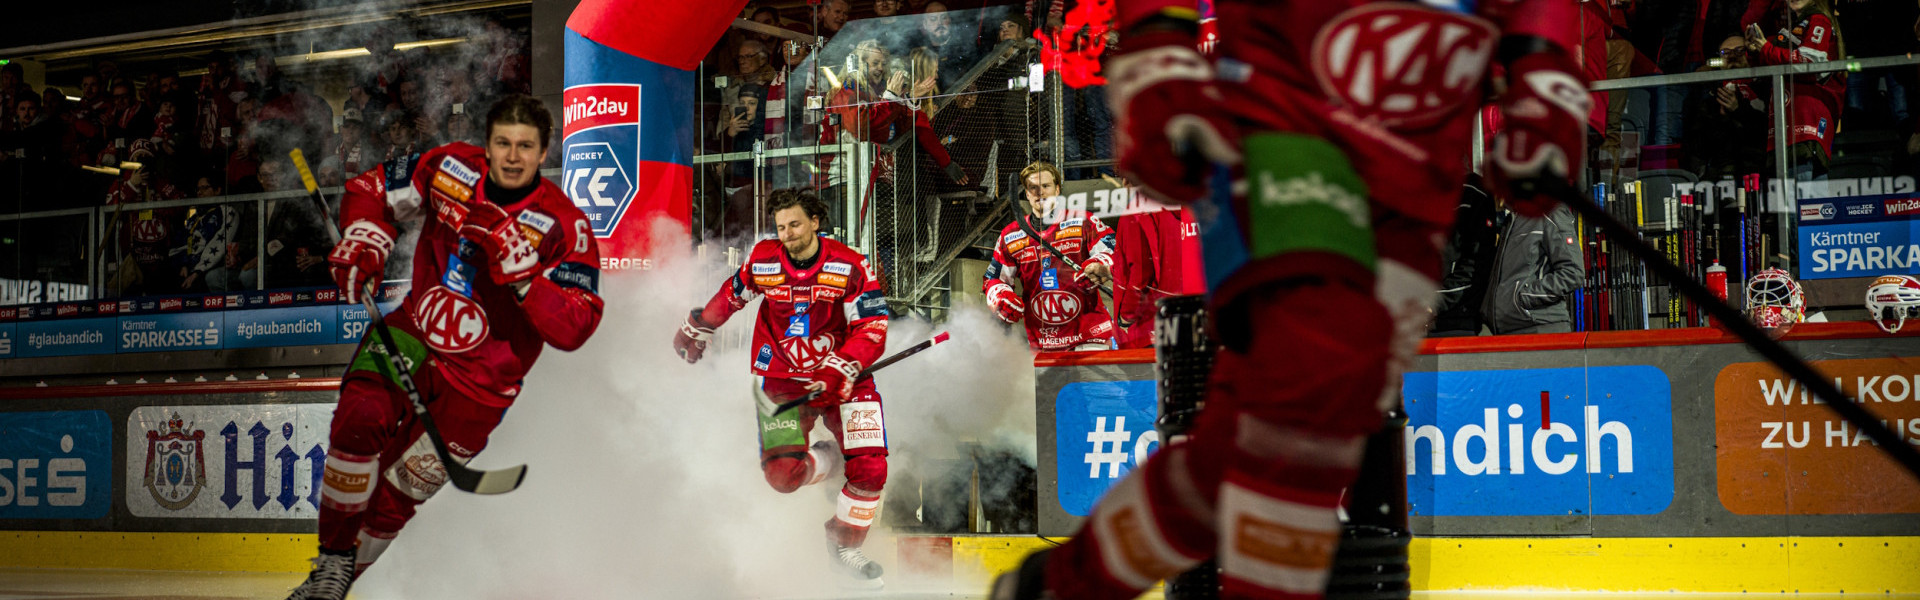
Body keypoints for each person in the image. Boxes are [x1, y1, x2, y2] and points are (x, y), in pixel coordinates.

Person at [991, 0, 1588, 598]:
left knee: (1276, 438)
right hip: (1289, 124)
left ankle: (1066, 582)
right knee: (1297, 410)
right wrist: (1157, 58)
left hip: (1414, 164)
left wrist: (1542, 79)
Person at [283, 95, 605, 600]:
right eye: (503, 143)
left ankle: (333, 587)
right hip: (414, 333)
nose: (512, 156)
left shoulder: (565, 225)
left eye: (526, 146)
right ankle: (332, 560)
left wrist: (524, 278)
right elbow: (371, 189)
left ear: (544, 153)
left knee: (397, 496)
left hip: (482, 384)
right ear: (488, 142)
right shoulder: (449, 166)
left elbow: (576, 326)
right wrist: (366, 238)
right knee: (360, 416)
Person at [671, 189, 895, 588]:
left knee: (872, 468)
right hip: (779, 380)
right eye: (780, 227)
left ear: (815, 222)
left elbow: (873, 327)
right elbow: (732, 295)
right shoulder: (764, 258)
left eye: (794, 224)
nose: (787, 234)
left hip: (845, 379)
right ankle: (831, 458)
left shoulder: (851, 265)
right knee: (782, 477)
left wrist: (842, 365)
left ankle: (844, 547)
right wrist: (700, 325)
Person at [983, 161, 1117, 352]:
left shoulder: (1083, 220)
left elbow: (1114, 250)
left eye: (1045, 186)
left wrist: (1099, 264)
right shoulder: (1010, 235)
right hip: (1043, 344)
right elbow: (993, 279)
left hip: (1089, 336)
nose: (1040, 192)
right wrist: (999, 295)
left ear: (1057, 189)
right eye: (1033, 188)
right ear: (1027, 194)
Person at [1745, 0, 1846, 180]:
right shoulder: (1797, 26)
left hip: (1806, 118)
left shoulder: (1818, 20)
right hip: (1791, 119)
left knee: (1803, 202)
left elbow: (1810, 63)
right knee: (1805, 203)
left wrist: (1766, 49)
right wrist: (1756, 51)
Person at [1481, 193, 1585, 335]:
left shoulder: (1550, 211)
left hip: (1540, 329)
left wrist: (1523, 298)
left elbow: (1573, 272)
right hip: (1509, 331)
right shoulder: (1511, 220)